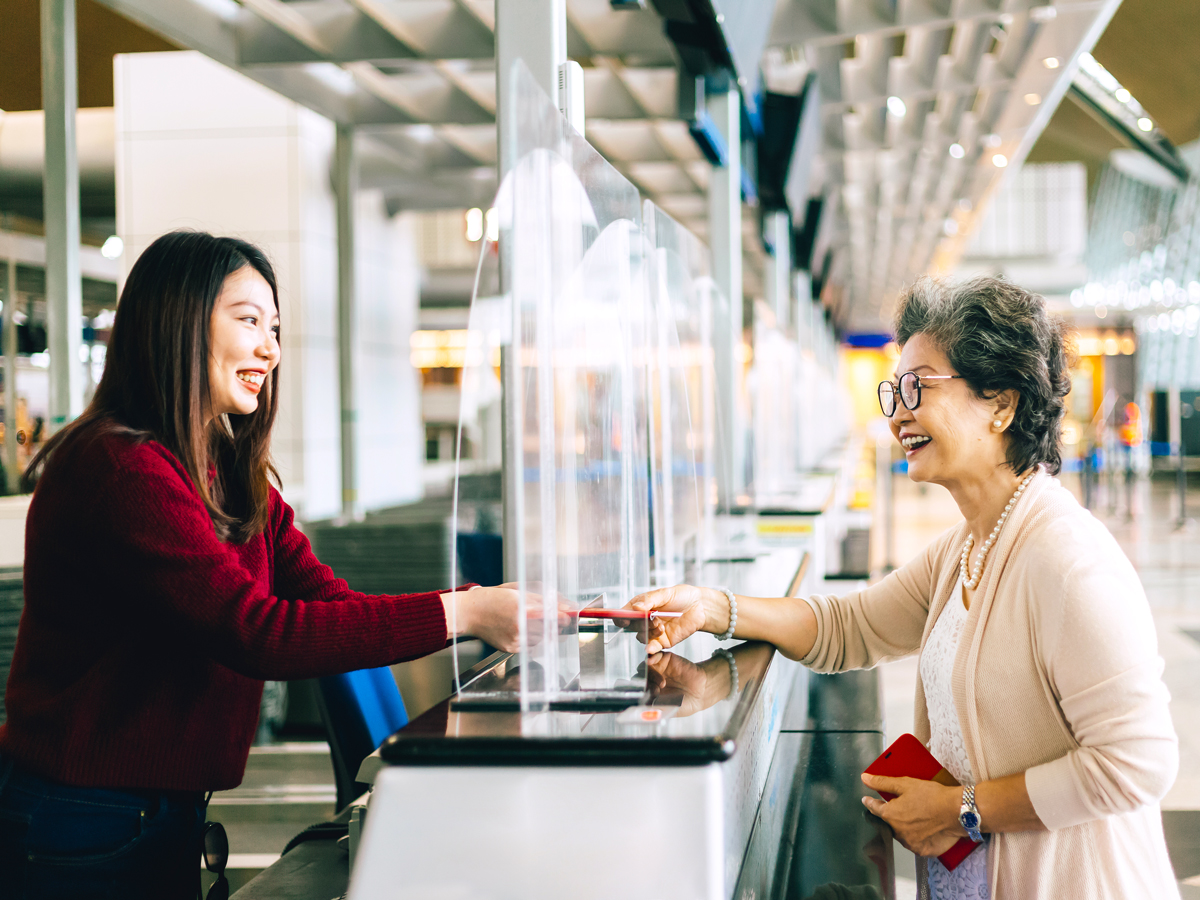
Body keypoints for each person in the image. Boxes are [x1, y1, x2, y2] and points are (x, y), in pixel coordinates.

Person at [0, 231, 522, 899]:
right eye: (249, 320)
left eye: (274, 327)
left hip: (148, 814)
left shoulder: (224, 476)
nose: (271, 349)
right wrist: (468, 612)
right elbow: (256, 632)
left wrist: (481, 603)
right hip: (78, 822)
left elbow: (328, 602)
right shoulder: (119, 468)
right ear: (179, 323)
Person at [628, 277, 1180, 899]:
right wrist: (712, 607)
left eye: (918, 387)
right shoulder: (969, 546)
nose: (897, 414)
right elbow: (849, 629)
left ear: (1000, 403)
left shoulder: (1066, 561)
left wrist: (961, 810)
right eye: (896, 390)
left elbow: (1139, 762)